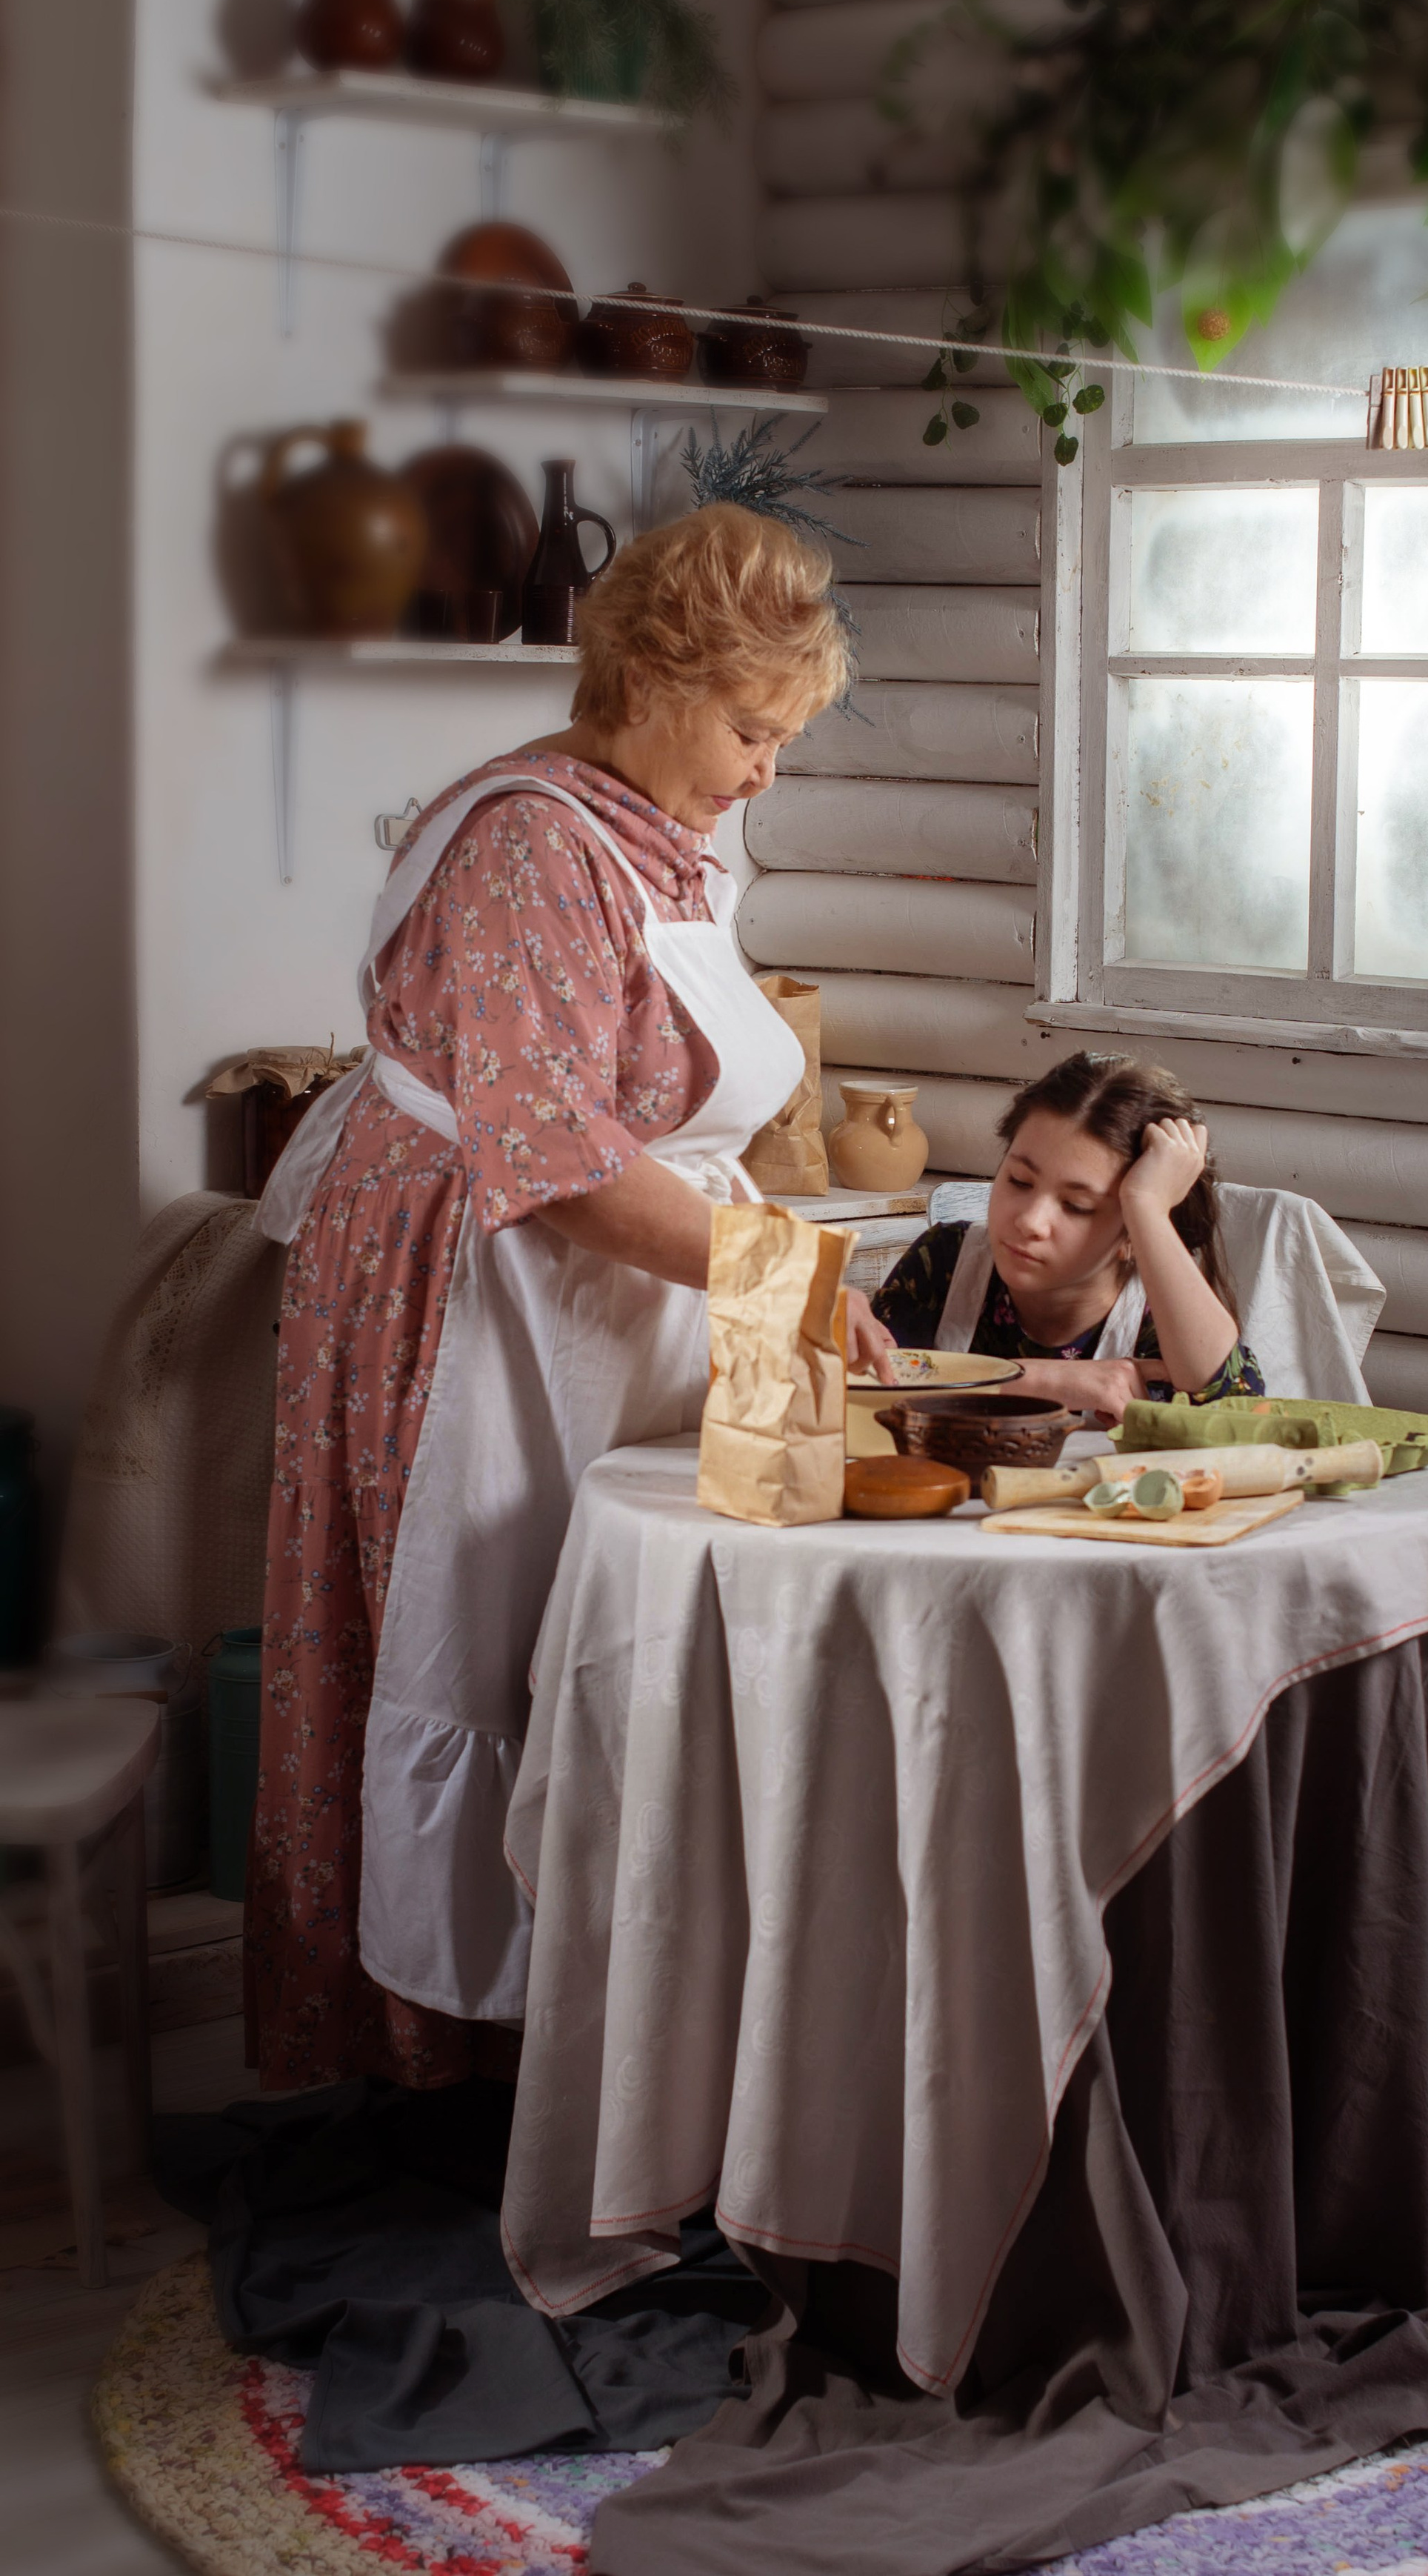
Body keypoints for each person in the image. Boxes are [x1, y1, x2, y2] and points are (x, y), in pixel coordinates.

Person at [247, 504, 888, 2091]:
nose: (762, 774)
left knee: (596, 1646)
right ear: (656, 685)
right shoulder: (533, 842)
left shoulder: (653, 833)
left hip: (593, 1297)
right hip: (476, 1296)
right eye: (751, 730)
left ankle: (614, 2059)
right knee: (472, 1644)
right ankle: (443, 2074)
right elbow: (552, 1154)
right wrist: (785, 1276)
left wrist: (768, 1258)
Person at [861, 1054, 1265, 1422]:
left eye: (1077, 1206)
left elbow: (1238, 1411)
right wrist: (1044, 1380)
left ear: (1132, 1236)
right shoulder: (944, 1260)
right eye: (1019, 1181)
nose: (1031, 1222)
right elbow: (866, 1384)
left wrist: (1145, 1205)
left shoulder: (1162, 1308)